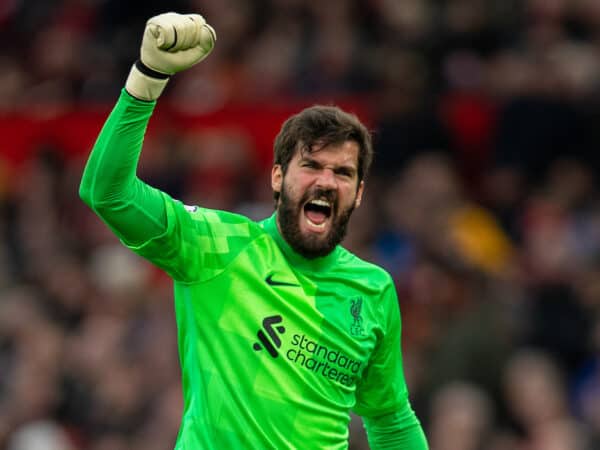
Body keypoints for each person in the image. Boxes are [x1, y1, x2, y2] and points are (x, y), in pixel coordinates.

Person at [79, 12, 428, 449]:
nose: (325, 181)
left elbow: (390, 420)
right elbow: (107, 192)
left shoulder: (373, 289)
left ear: (358, 194)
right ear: (278, 177)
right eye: (312, 166)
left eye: (342, 172)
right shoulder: (216, 245)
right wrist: (147, 79)